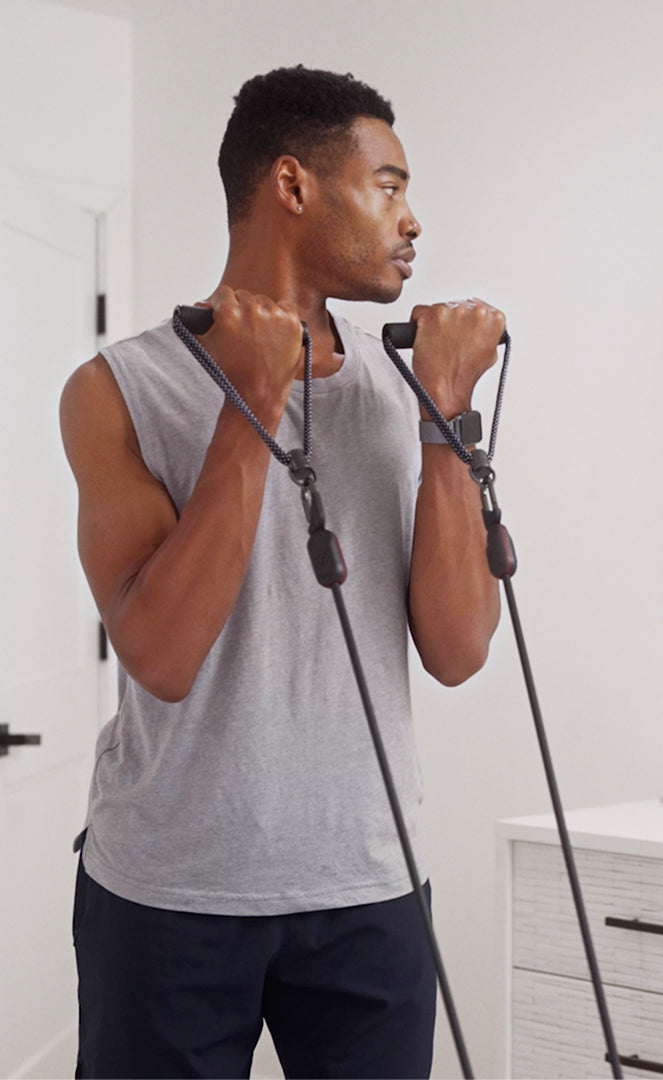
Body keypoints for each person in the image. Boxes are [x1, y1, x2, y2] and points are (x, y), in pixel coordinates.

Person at [58, 65, 503, 1078]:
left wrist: (443, 424)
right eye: (387, 185)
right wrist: (251, 410)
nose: (411, 220)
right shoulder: (117, 389)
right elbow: (160, 656)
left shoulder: (406, 386)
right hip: (171, 893)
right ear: (295, 187)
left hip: (368, 884)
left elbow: (458, 649)